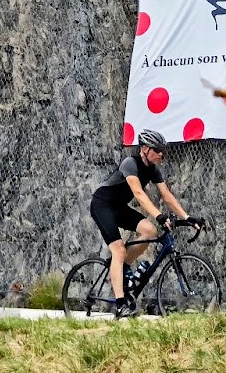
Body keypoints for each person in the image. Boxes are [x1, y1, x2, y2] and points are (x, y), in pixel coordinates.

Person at [89, 128, 201, 318]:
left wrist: (186, 217)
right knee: (118, 249)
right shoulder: (130, 163)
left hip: (118, 207)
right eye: (157, 150)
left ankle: (123, 267)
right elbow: (139, 194)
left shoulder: (153, 169)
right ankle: (120, 304)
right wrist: (159, 216)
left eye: (162, 150)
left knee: (149, 230)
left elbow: (166, 196)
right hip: (102, 205)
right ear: (145, 149)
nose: (161, 154)